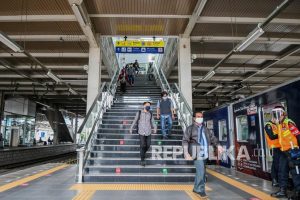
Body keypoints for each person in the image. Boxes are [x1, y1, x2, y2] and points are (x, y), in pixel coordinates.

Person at [182, 112, 222, 198]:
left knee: (201, 172)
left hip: (205, 153)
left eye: (201, 116)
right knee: (201, 171)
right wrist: (186, 153)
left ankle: (196, 188)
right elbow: (185, 140)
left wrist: (218, 145)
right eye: (198, 116)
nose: (200, 118)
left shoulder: (206, 129)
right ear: (194, 118)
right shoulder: (190, 128)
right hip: (196, 152)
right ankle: (201, 190)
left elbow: (213, 138)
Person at [269, 106, 300, 199]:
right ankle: (283, 191)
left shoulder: (289, 123)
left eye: (277, 113)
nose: (276, 116)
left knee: (296, 172)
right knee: (282, 171)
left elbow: (298, 136)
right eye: (274, 114)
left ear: (282, 113)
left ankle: (298, 192)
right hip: (283, 152)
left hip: (292, 151)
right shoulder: (279, 125)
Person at [130, 102, 157, 167]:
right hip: (141, 132)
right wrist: (131, 128)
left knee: (148, 145)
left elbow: (153, 121)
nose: (148, 107)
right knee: (142, 145)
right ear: (144, 106)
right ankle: (142, 160)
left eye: (149, 106)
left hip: (148, 131)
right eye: (147, 105)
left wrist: (155, 128)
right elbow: (135, 120)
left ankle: (142, 153)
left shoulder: (150, 113)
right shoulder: (139, 113)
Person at [264, 119, 281, 187]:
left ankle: (276, 180)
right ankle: (275, 180)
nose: (277, 119)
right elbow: (271, 136)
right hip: (274, 148)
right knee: (276, 165)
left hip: (279, 147)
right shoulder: (268, 125)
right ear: (273, 118)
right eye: (276, 118)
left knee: (276, 164)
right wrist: (280, 134)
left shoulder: (276, 125)